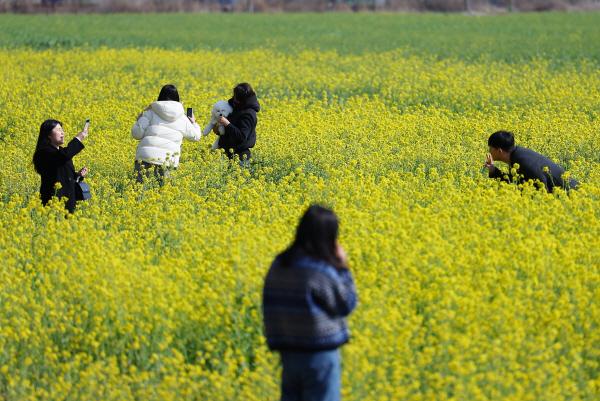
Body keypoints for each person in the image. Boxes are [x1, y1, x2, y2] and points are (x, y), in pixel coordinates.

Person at [263, 205, 358, 401]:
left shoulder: (279, 264)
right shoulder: (319, 270)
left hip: (288, 353)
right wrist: (342, 267)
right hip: (319, 356)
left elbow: (269, 305)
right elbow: (346, 304)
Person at [132, 84, 202, 184]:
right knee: (164, 192)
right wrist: (194, 123)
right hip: (168, 159)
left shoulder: (151, 112)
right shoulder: (182, 117)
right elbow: (195, 137)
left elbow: (137, 134)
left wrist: (140, 121)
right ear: (177, 98)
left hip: (145, 157)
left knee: (139, 190)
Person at [484, 130, 580, 193]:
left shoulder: (524, 162)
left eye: (490, 147)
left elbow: (542, 190)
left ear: (499, 151)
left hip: (573, 196)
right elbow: (516, 183)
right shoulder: (517, 157)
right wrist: (493, 170)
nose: (489, 151)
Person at [32, 119, 88, 213]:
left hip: (68, 203)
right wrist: (78, 139)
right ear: (49, 135)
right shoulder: (44, 152)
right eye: (58, 130)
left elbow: (61, 174)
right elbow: (62, 157)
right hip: (54, 202)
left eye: (62, 130)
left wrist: (77, 176)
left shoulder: (61, 153)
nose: (62, 133)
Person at [214, 83, 260, 165]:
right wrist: (217, 127)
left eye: (237, 98)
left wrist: (227, 124)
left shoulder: (248, 114)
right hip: (226, 155)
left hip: (240, 159)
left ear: (244, 100)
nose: (234, 99)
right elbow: (227, 131)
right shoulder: (232, 107)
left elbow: (242, 136)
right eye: (234, 95)